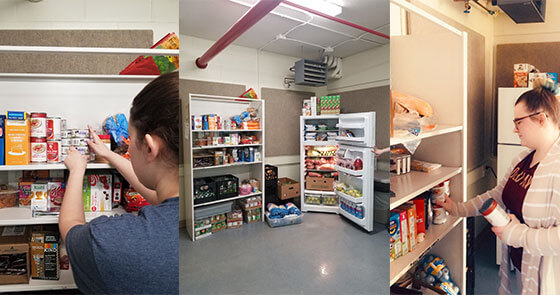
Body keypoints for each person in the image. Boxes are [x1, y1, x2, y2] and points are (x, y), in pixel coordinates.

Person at [58, 71, 179, 294]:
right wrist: (110, 155)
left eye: (130, 138)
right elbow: (157, 196)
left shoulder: (111, 243)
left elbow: (71, 229)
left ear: (150, 147)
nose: (127, 145)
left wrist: (76, 170)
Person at [437, 78, 560, 295]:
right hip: (523, 262)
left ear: (541, 119)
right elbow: (497, 196)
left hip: (548, 275)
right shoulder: (524, 159)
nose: (514, 129)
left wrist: (517, 234)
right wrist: (456, 208)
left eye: (518, 122)